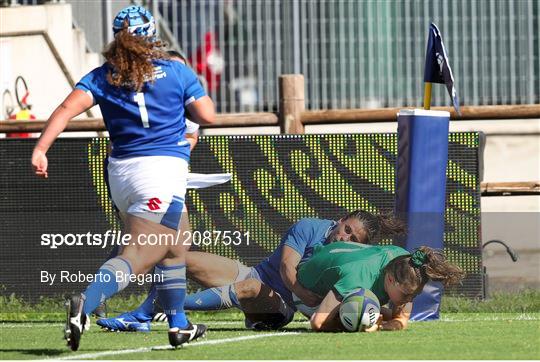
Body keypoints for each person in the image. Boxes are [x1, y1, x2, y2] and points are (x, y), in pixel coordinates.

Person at [31, 5, 215, 350]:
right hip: (160, 173)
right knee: (140, 253)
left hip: (122, 174)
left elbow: (66, 109)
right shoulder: (176, 71)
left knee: (176, 246)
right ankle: (85, 305)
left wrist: (41, 149)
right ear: (152, 35)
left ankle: (179, 325)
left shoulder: (103, 76)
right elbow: (208, 115)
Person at [97, 210, 406, 331]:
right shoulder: (310, 227)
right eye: (347, 229)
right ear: (340, 220)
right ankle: (139, 309)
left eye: (354, 239)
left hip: (281, 306)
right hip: (256, 274)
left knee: (250, 289)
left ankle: (161, 310)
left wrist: (389, 317)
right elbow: (286, 267)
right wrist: (303, 291)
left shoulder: (354, 260)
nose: (346, 238)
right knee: (181, 259)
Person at [297, 241, 464, 332]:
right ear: (390, 280)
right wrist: (362, 327)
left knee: (379, 313)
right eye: (406, 295)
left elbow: (401, 320)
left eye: (414, 295)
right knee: (361, 314)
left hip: (344, 273)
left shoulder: (407, 262)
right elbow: (317, 323)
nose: (409, 300)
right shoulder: (357, 278)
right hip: (306, 289)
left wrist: (391, 323)